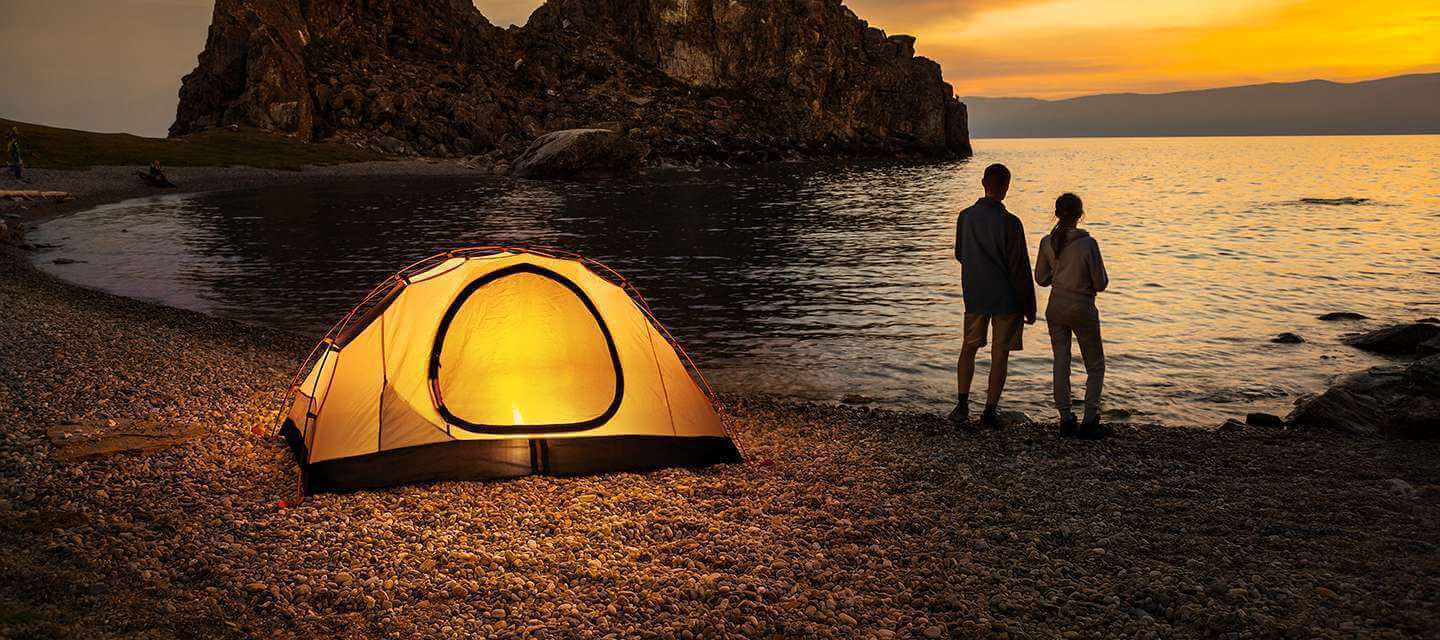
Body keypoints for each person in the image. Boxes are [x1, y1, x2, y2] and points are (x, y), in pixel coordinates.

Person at [950, 163, 1037, 429]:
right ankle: (989, 411)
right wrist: (1029, 306)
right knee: (1000, 354)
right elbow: (1020, 267)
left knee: (969, 347)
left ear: (983, 183)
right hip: (1006, 298)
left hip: (975, 293)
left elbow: (960, 254)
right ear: (1007, 187)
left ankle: (962, 404)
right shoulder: (1011, 223)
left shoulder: (965, 216)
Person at [1034, 193, 1108, 439]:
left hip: (1056, 308)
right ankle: (1089, 419)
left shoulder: (1047, 242)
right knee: (1095, 365)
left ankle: (1065, 418)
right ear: (1080, 215)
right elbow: (1100, 283)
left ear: (1056, 214)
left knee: (1061, 361)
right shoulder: (1088, 244)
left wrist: (1059, 275)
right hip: (1082, 308)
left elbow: (1041, 279)